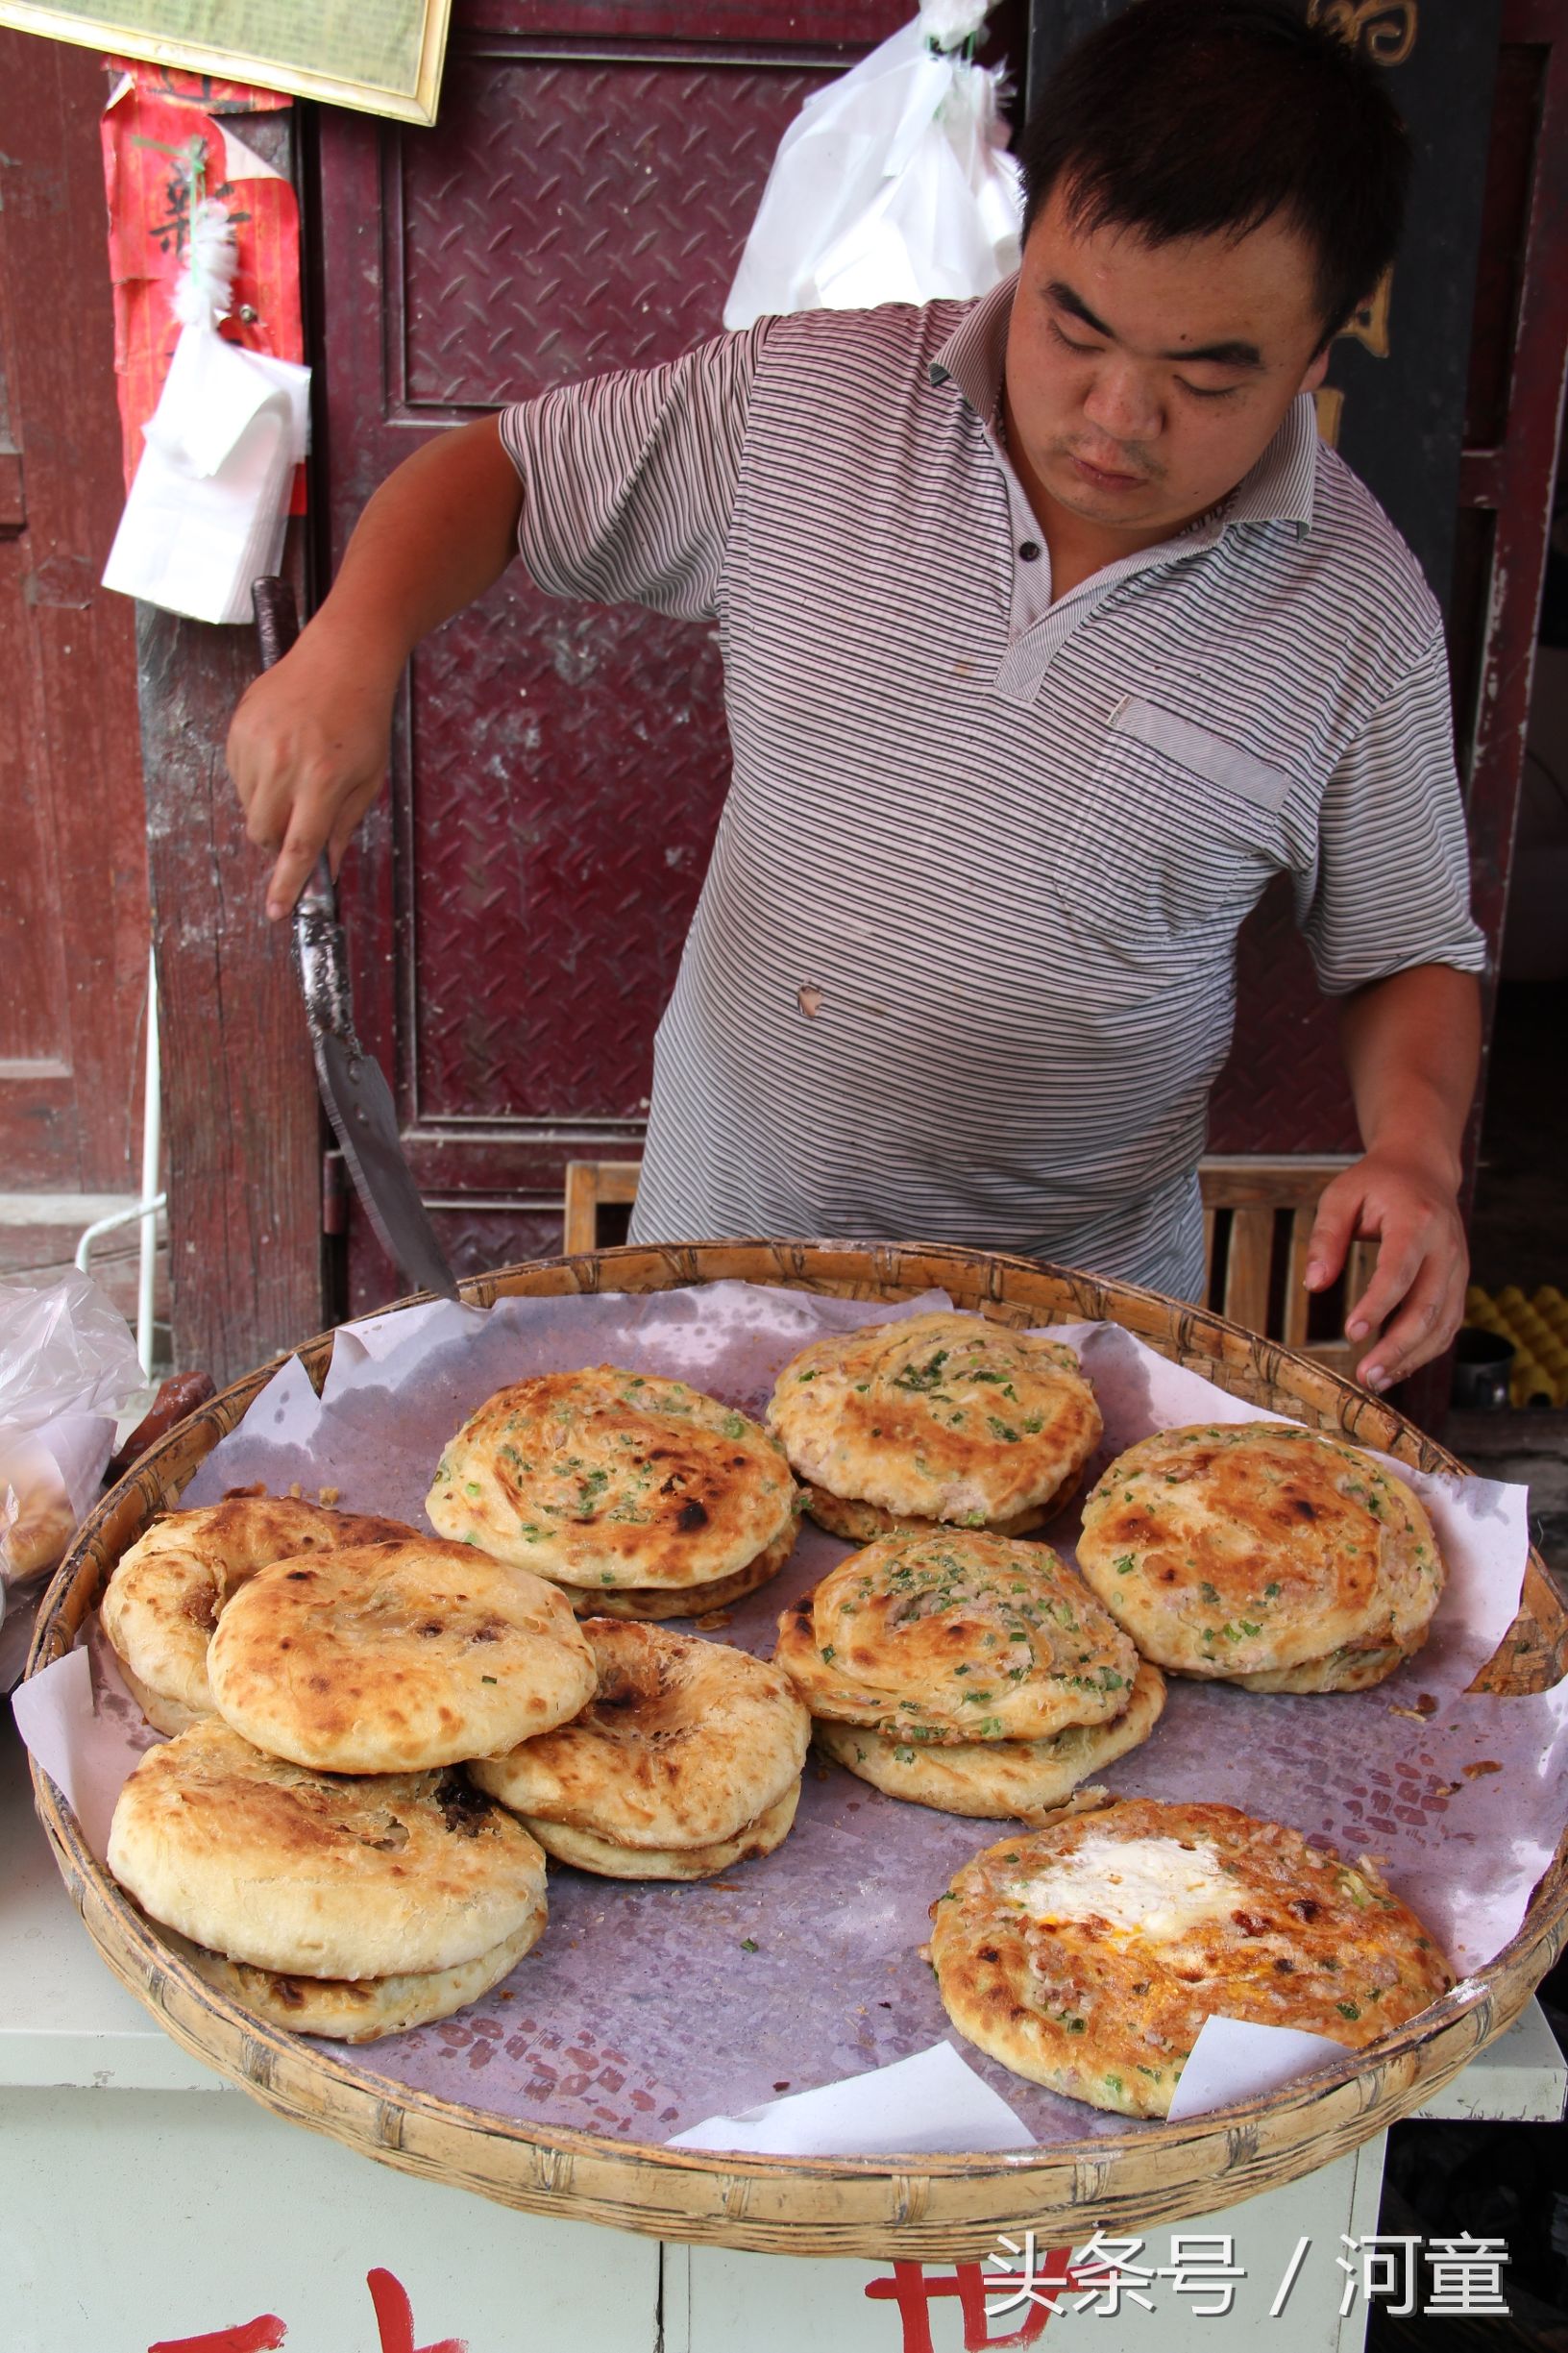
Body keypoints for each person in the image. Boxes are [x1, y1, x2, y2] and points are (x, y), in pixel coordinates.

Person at [228, 0, 1484, 1396]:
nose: (1119, 416)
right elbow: (509, 474)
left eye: (1207, 375)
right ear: (1030, 243)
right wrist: (351, 639)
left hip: (1064, 1336)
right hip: (719, 1271)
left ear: (1317, 357)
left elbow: (1405, 946)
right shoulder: (814, 406)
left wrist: (1417, 1149)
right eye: (1077, 326)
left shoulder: (1356, 609)